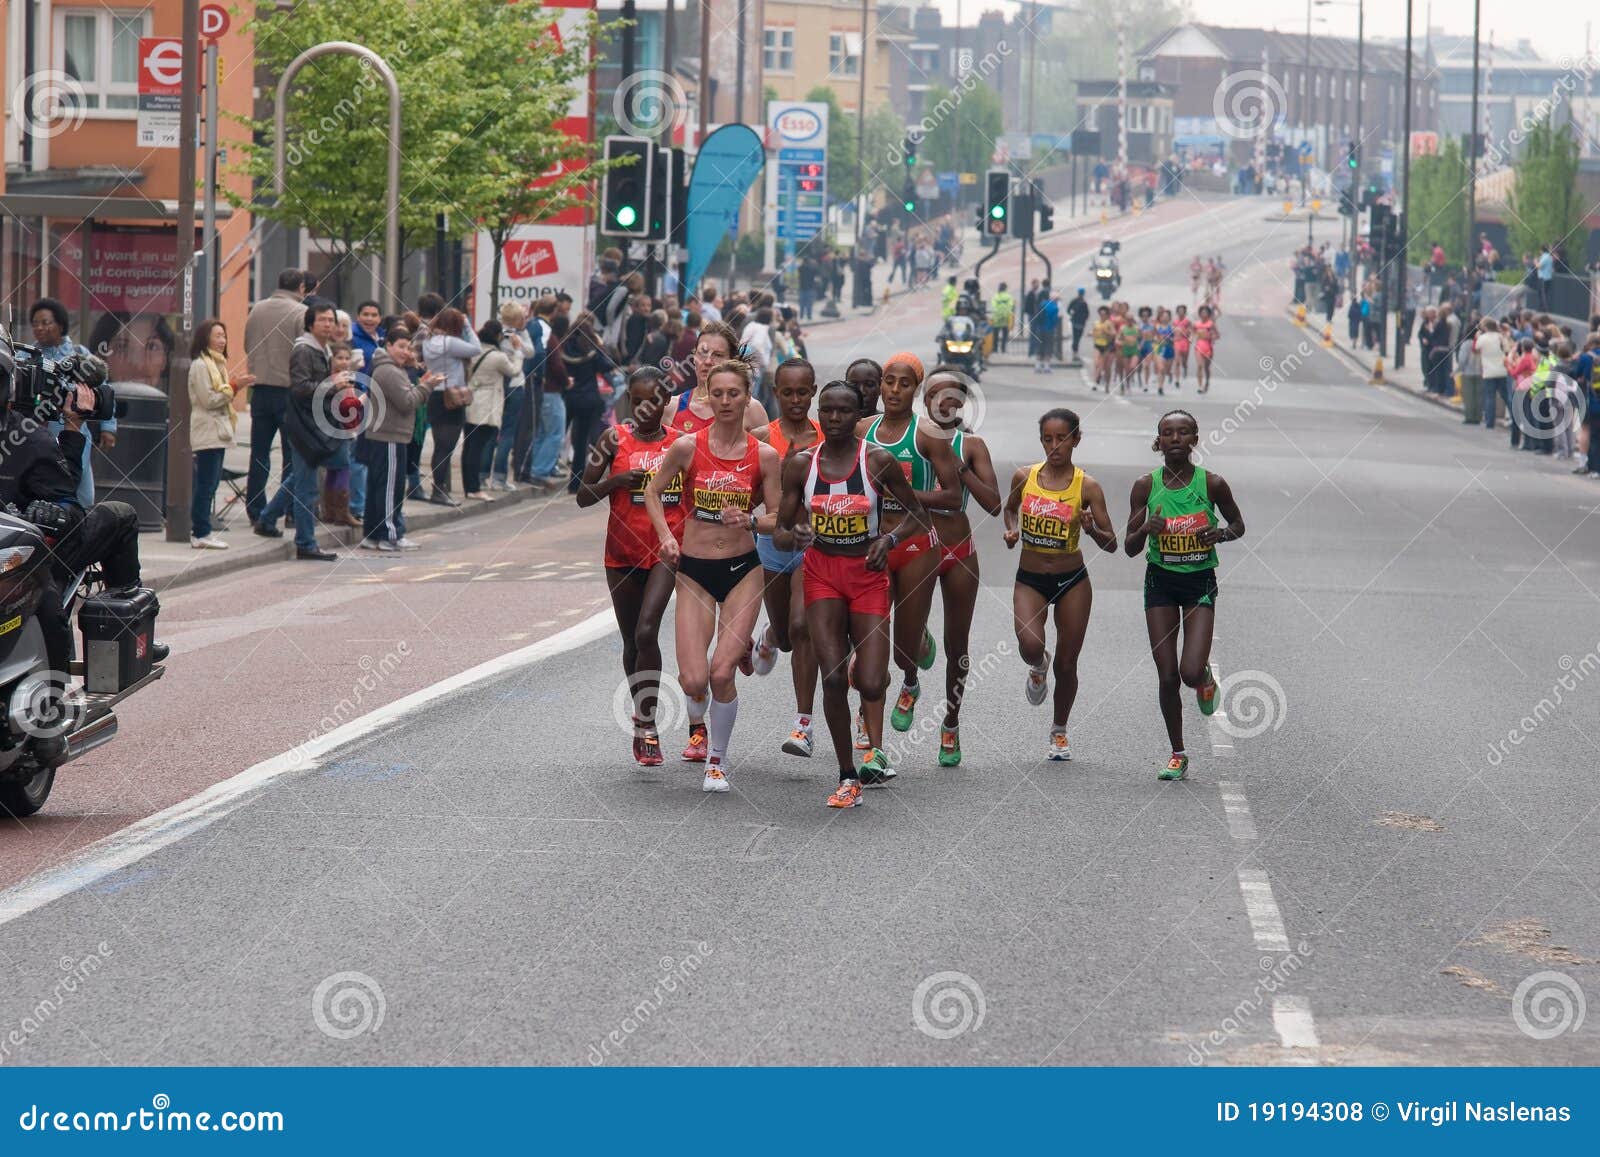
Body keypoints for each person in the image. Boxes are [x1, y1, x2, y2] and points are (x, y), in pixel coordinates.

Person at [771, 379, 929, 807]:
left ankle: (870, 739)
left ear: (857, 417)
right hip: (821, 574)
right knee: (835, 676)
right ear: (820, 415)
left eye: (844, 412)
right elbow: (781, 533)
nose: (835, 419)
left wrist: (889, 541)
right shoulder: (801, 465)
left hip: (867, 575)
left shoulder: (876, 461)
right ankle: (846, 776)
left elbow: (917, 514)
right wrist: (797, 532)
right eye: (828, 411)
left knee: (873, 681)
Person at [644, 359, 782, 792]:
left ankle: (716, 762)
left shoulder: (765, 455)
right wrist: (666, 536)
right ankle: (702, 721)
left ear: (747, 397)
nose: (725, 401)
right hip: (695, 569)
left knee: (722, 674)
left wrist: (752, 522)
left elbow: (778, 516)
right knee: (693, 680)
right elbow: (652, 490)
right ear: (708, 392)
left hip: (743, 569)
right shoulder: (687, 446)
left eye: (734, 394)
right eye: (717, 393)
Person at [0, 328, 162, 685]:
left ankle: (52, 705)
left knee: (45, 604)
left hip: (19, 560)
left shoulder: (29, 437)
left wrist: (48, 514)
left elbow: (68, 506)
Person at [1124, 410, 1246, 781]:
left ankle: (1205, 677)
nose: (1174, 438)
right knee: (1167, 676)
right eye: (1167, 433)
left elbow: (1238, 524)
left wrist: (1220, 535)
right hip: (1160, 582)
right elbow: (1128, 547)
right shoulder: (1146, 486)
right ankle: (1178, 752)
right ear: (1157, 441)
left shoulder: (1213, 484)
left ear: (1194, 439)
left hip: (1199, 583)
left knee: (1189, 672)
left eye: (1182, 432)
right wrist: (1146, 527)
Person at [859, 354, 962, 775]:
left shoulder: (928, 436)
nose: (894, 390)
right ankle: (872, 742)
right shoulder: (863, 431)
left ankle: (914, 668)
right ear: (881, 386)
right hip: (871, 543)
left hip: (918, 541)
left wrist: (907, 497)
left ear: (915, 390)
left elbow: (953, 497)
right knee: (871, 644)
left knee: (904, 651)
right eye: (889, 381)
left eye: (904, 383)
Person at [578, 367, 686, 765]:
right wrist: (617, 481)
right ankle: (643, 717)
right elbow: (583, 496)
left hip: (666, 550)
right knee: (630, 642)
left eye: (654, 400)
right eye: (638, 401)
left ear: (665, 401)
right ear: (628, 402)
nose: (646, 409)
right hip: (621, 552)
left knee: (646, 631)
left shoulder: (681, 443)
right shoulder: (612, 439)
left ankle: (648, 724)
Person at [1004, 408, 1117, 760]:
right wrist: (1012, 529)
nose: (1055, 446)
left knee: (1067, 664)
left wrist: (1090, 529)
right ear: (1041, 441)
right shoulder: (1024, 477)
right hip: (1031, 578)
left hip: (1072, 580)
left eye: (1062, 439)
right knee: (1030, 646)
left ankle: (1059, 731)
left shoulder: (1088, 486)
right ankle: (1038, 668)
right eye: (1048, 439)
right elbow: (1009, 509)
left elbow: (1112, 542)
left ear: (1076, 439)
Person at [923, 369, 1002, 766]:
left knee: (959, 644)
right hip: (914, 546)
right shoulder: (910, 438)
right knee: (895, 633)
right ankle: (909, 674)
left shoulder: (971, 444)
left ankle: (951, 723)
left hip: (957, 547)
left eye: (953, 396)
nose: (945, 402)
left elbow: (994, 504)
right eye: (937, 394)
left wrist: (962, 469)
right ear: (925, 399)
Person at [749, 359, 822, 757]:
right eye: (787, 392)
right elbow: (748, 496)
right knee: (785, 632)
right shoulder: (761, 439)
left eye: (803, 392)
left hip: (813, 547)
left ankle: (803, 725)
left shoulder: (830, 436)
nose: (796, 400)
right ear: (775, 393)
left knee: (801, 626)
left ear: (813, 391)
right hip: (771, 548)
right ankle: (769, 636)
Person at [253, 298, 344, 560]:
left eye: (331, 320)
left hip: (312, 423)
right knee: (307, 486)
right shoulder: (304, 350)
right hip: (303, 425)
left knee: (299, 477)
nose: (328, 325)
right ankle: (305, 542)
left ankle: (267, 519)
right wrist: (332, 384)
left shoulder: (321, 350)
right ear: (310, 324)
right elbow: (301, 388)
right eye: (323, 320)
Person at [31, 298, 117, 509]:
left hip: (75, 429)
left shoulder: (80, 356)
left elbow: (103, 391)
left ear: (60, 325)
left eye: (45, 322)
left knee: (83, 494)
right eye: (35, 323)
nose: (39, 328)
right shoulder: (29, 355)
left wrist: (108, 428)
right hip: (37, 431)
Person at [243, 269, 309, 527]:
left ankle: (255, 507)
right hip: (289, 390)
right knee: (292, 455)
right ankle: (289, 508)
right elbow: (303, 351)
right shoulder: (300, 312)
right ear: (301, 287)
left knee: (259, 453)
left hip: (260, 389)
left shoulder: (257, 309)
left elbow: (248, 343)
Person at [361, 326, 433, 551]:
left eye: (408, 347)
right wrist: (427, 386)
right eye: (401, 346)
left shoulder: (390, 368)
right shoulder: (388, 370)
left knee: (379, 485)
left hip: (387, 434)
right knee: (390, 487)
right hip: (390, 435)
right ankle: (389, 534)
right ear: (388, 345)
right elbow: (407, 401)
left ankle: (373, 534)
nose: (405, 351)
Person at [187, 319, 253, 550]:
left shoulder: (218, 365)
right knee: (206, 484)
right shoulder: (201, 365)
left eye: (224, 336)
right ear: (205, 338)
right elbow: (210, 400)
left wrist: (233, 387)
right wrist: (234, 386)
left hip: (218, 430)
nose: (222, 340)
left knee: (212, 483)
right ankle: (200, 532)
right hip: (207, 429)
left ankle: (203, 530)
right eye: (217, 335)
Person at [420, 308, 482, 505]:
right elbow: (475, 348)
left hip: (435, 395)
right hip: (452, 397)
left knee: (440, 446)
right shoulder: (451, 342)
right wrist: (467, 326)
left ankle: (439, 488)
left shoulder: (428, 342)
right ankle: (439, 490)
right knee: (446, 447)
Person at [669, 320, 765, 436]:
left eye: (718, 355)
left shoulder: (751, 409)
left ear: (732, 360)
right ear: (694, 357)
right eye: (702, 353)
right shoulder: (672, 407)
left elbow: (775, 453)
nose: (708, 361)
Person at [558, 314, 614, 494]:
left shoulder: (563, 348)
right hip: (588, 399)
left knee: (559, 436)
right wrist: (599, 345)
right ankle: (575, 483)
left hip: (567, 398)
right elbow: (608, 365)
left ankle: (551, 468)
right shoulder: (591, 351)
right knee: (580, 443)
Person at [462, 320, 514, 500]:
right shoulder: (498, 357)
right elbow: (514, 371)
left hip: (471, 401)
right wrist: (518, 351)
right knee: (477, 448)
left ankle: (469, 486)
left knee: (469, 447)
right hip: (488, 406)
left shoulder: (473, 352)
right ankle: (474, 488)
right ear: (498, 336)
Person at [1474, 317, 1510, 430]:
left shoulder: (1483, 338)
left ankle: (1490, 421)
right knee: (1505, 395)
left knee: (1490, 396)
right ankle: (1514, 415)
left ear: (1485, 327)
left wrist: (1477, 337)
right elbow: (1507, 350)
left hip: (1488, 371)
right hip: (1501, 370)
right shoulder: (1500, 337)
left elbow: (1475, 349)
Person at [1192, 305, 1218, 393]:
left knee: (1206, 367)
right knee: (1199, 366)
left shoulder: (1211, 324)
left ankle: (1207, 382)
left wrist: (1212, 336)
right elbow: (1193, 333)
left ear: (1208, 314)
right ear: (1200, 314)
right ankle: (1200, 386)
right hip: (1199, 346)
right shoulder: (1196, 324)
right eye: (1202, 312)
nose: (1204, 314)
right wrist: (1192, 337)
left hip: (1208, 347)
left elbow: (1217, 335)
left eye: (1206, 312)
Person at [990, 283, 1014, 353]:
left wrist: (998, 312)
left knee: (995, 335)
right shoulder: (1008, 297)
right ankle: (1003, 348)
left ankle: (995, 348)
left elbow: (993, 306)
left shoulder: (996, 296)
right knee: (1005, 335)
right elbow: (1010, 305)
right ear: (1005, 288)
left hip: (997, 318)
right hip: (1005, 318)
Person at [1067, 289, 1090, 360]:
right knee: (1077, 338)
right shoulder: (1083, 302)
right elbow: (1087, 313)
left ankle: (1075, 352)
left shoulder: (1075, 301)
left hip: (1076, 322)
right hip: (1079, 323)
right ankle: (1075, 352)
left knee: (1076, 337)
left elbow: (1068, 310)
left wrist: (1072, 315)